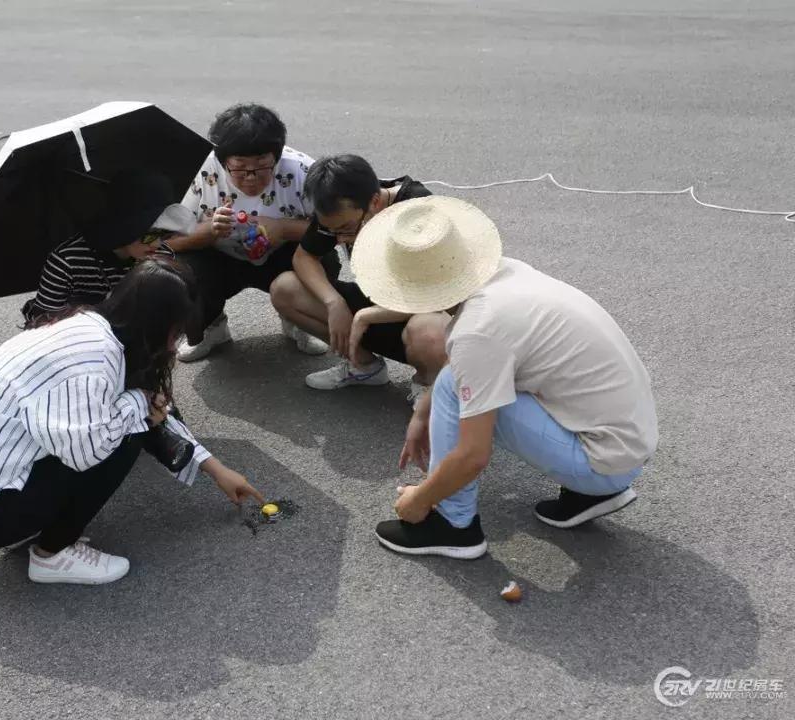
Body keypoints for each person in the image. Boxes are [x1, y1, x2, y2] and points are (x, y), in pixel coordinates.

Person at [345, 196, 657, 559]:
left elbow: (473, 455)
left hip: (605, 461)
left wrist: (422, 496)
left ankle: (452, 525)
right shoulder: (506, 273)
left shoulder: (477, 331)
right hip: (626, 445)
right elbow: (479, 360)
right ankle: (592, 492)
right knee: (457, 383)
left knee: (451, 389)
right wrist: (421, 411)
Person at [0, 259, 264, 585]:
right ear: (157, 325)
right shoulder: (90, 361)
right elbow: (88, 453)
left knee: (132, 415)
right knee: (122, 433)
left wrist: (216, 469)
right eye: (176, 332)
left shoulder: (96, 330)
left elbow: (153, 408)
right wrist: (139, 403)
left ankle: (39, 522)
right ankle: (52, 555)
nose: (175, 345)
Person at [269, 154, 450, 404]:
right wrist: (334, 303)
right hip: (375, 305)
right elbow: (304, 258)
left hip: (422, 311)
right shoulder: (338, 209)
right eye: (332, 231)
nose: (340, 239)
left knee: (431, 331)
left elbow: (438, 296)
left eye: (346, 229)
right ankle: (364, 367)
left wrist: (367, 316)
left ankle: (429, 383)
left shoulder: (420, 209)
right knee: (284, 289)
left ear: (375, 201)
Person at [168, 103, 341, 361]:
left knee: (324, 258)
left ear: (278, 157)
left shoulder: (303, 170)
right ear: (222, 160)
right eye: (239, 168)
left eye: (262, 167)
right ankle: (211, 327)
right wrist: (208, 232)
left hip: (283, 256)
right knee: (179, 270)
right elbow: (168, 241)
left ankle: (298, 321)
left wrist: (283, 229)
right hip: (218, 261)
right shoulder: (199, 171)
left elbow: (336, 229)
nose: (250, 178)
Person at [20, 169, 193, 328]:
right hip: (77, 338)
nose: (157, 244)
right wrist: (99, 311)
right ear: (125, 227)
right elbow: (42, 324)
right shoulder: (67, 261)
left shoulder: (161, 256)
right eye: (149, 234)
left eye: (164, 234)